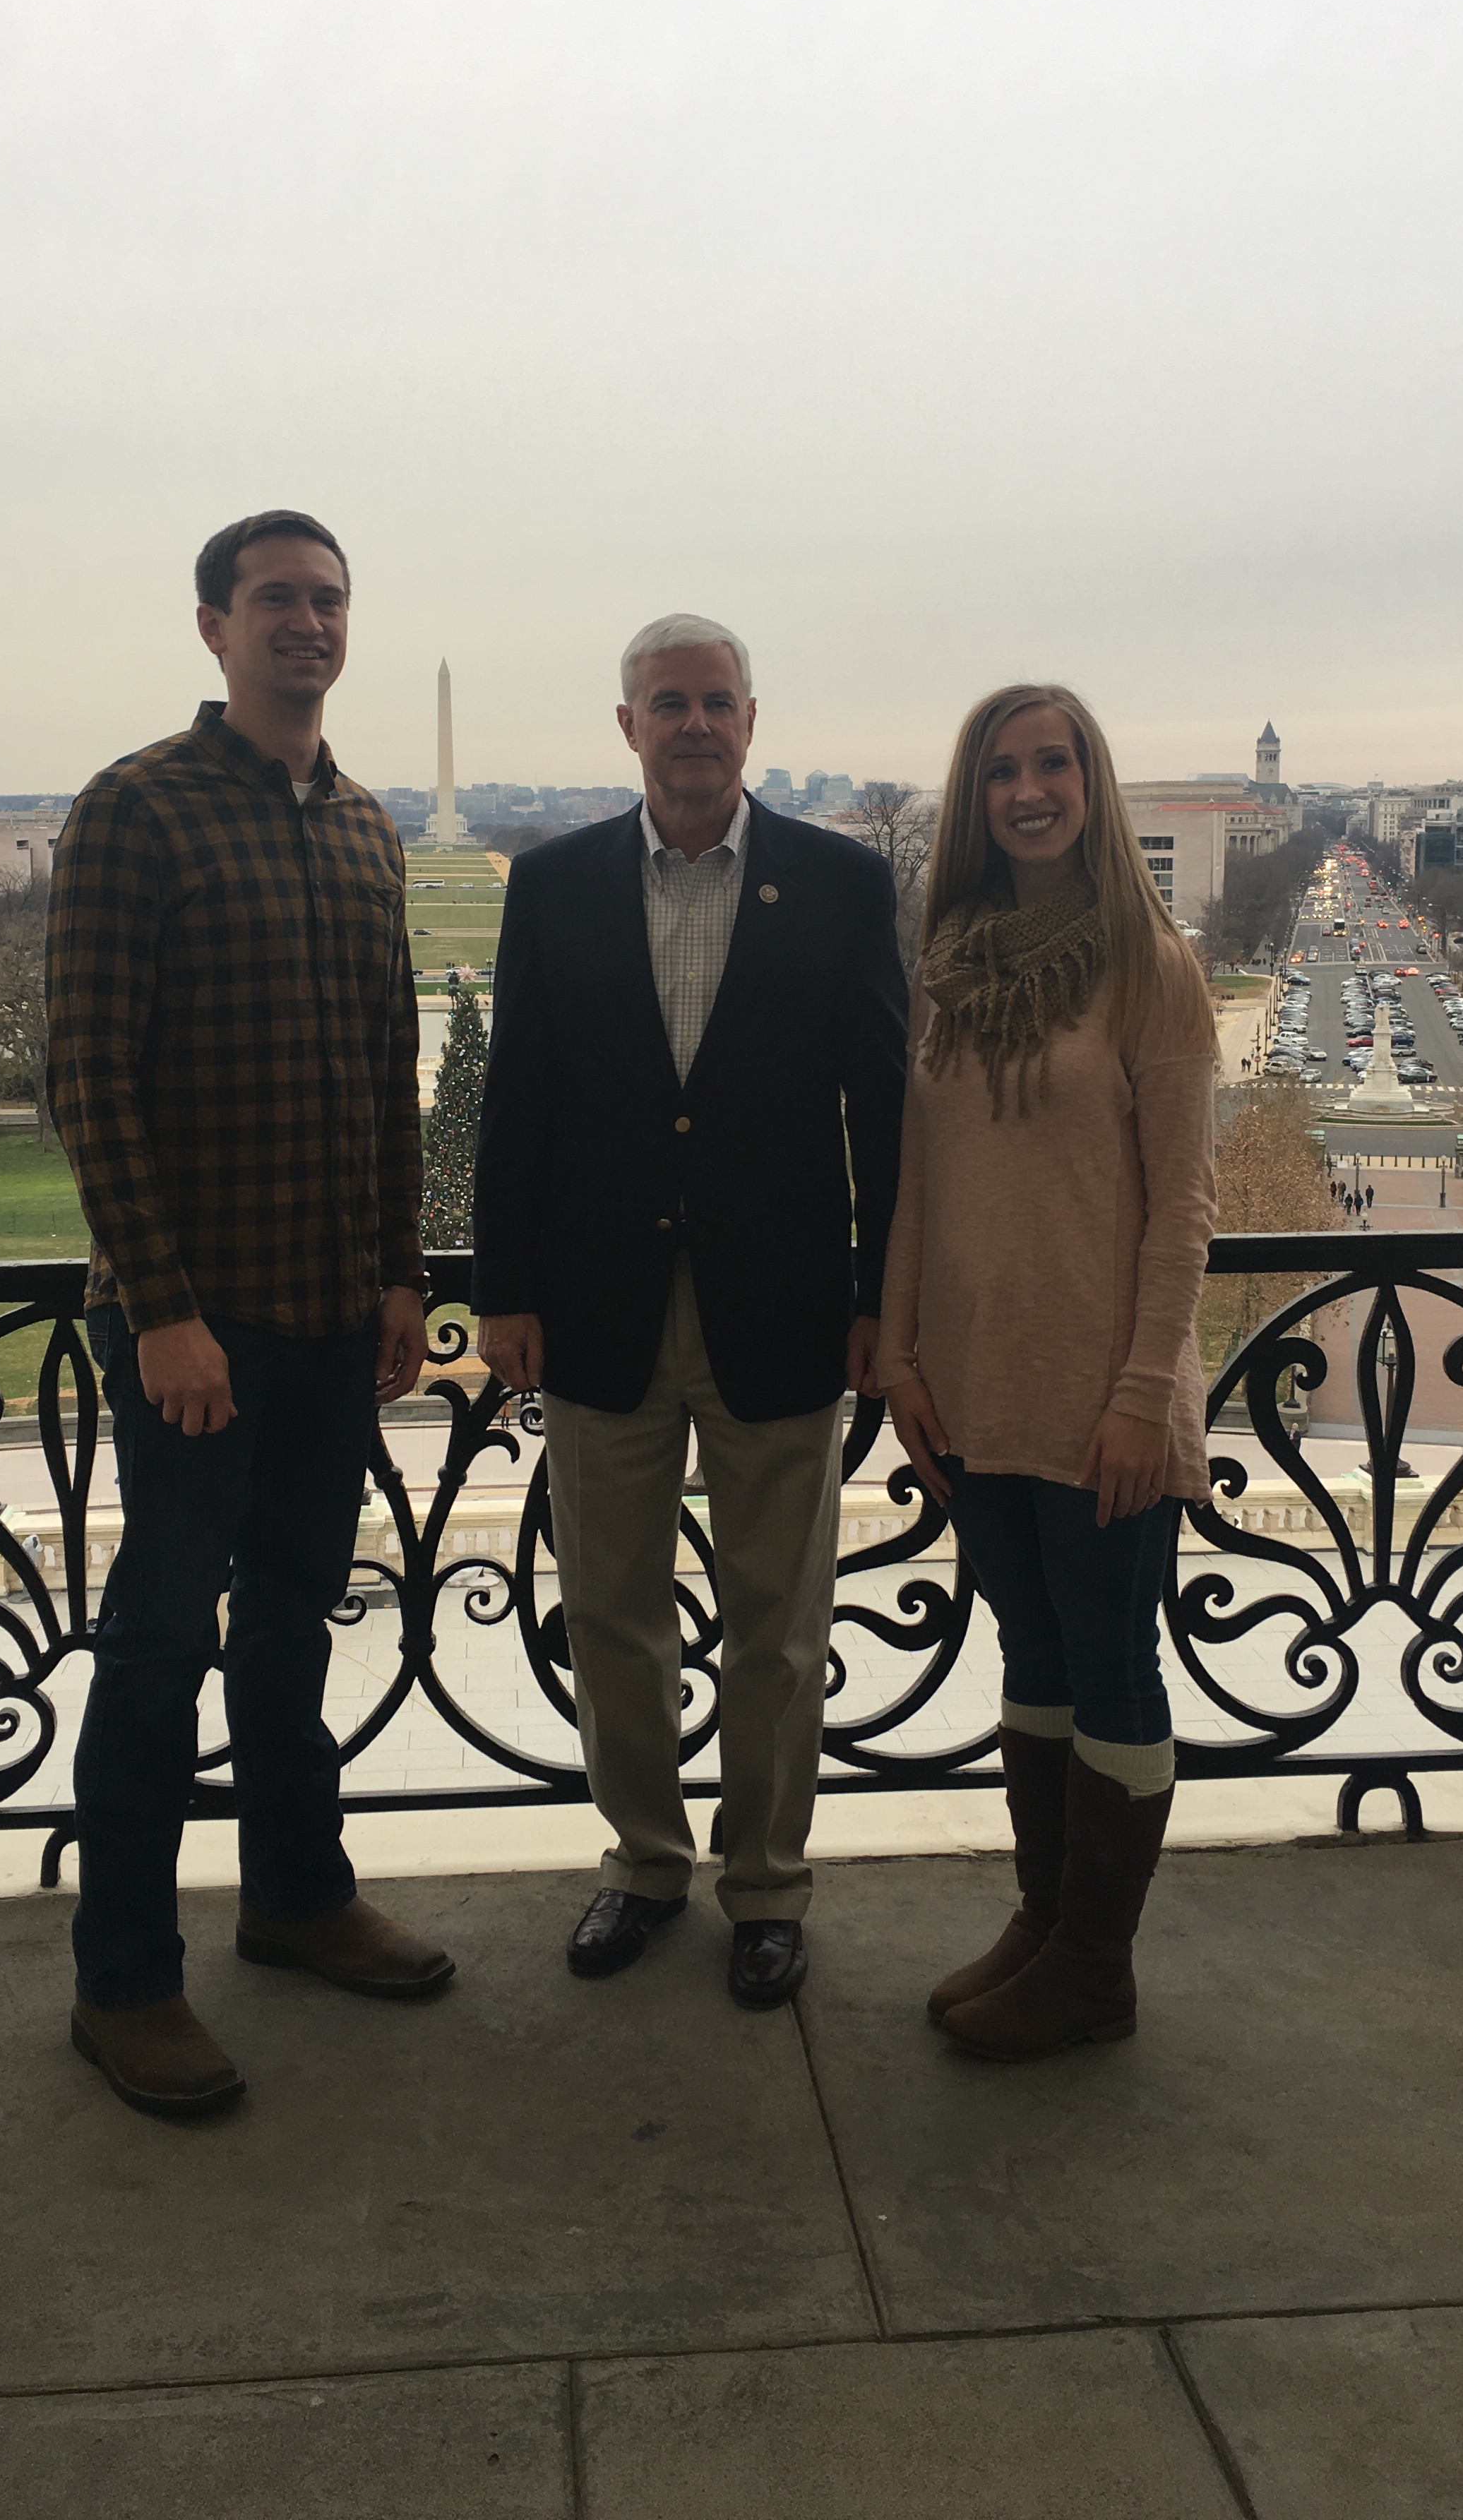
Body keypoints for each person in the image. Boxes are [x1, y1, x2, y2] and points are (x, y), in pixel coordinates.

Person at [44, 508, 453, 2122]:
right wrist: (162, 1310)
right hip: (193, 1331)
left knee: (291, 1626)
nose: (309, 622)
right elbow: (88, 1076)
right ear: (213, 625)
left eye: (330, 600)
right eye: (276, 597)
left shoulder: (366, 831)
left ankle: (293, 1896)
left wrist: (403, 1274)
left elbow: (385, 1071)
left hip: (330, 1317)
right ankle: (124, 1982)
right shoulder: (135, 809)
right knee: (159, 1648)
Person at [475, 617, 906, 2010]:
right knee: (610, 1612)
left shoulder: (841, 883)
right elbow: (518, 1101)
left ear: (752, 719)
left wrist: (881, 1300)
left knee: (780, 1625)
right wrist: (505, 1291)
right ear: (629, 727)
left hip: (781, 1311)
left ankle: (767, 1887)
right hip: (597, 1311)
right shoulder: (553, 884)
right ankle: (646, 1865)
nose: (696, 724)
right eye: (670, 703)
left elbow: (883, 1111)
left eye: (718, 701)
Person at [880, 681, 1219, 2062]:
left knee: (1112, 1664)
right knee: (1033, 1654)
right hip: (977, 1384)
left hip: (1099, 1395)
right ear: (977, 799)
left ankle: (1096, 1967)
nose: (1029, 792)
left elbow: (1185, 1206)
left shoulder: (1151, 968)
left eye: (1053, 765)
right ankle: (1045, 1921)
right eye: (1002, 771)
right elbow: (918, 1180)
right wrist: (898, 1353)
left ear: (1093, 784)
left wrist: (1144, 1394)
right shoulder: (949, 967)